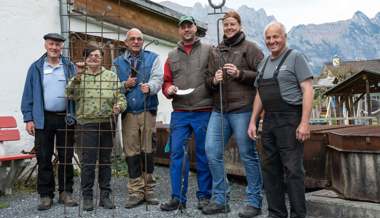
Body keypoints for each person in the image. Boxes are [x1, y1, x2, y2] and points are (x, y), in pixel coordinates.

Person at [247, 21, 314, 218]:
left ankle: (298, 214)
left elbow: (308, 89)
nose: (272, 41)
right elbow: (260, 94)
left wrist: (304, 122)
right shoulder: (264, 63)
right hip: (269, 122)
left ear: (284, 37)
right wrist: (253, 121)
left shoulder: (295, 57)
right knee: (270, 169)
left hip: (290, 119)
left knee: (293, 170)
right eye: (268, 38)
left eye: (276, 36)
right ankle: (276, 213)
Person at [202, 11, 264, 217]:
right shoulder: (215, 51)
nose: (228, 27)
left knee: (248, 155)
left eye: (232, 24)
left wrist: (240, 74)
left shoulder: (250, 48)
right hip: (219, 110)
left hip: (243, 109)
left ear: (239, 25)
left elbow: (263, 76)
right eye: (226, 24)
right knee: (212, 151)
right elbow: (207, 80)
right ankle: (221, 199)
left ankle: (254, 202)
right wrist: (214, 80)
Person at [160, 15, 213, 211]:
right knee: (175, 154)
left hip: (203, 109)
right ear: (179, 31)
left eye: (189, 26)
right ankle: (177, 197)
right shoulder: (172, 55)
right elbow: (166, 81)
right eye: (183, 27)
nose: (187, 30)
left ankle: (204, 196)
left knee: (203, 154)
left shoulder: (208, 50)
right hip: (180, 112)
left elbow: (214, 76)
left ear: (195, 28)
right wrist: (168, 89)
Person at [21, 33, 78, 210]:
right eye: (51, 44)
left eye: (58, 45)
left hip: (65, 118)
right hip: (43, 118)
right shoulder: (36, 67)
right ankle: (45, 195)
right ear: (46, 45)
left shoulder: (69, 67)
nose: (54, 48)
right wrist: (29, 118)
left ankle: (65, 192)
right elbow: (28, 94)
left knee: (66, 157)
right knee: (44, 157)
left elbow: (77, 93)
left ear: (62, 47)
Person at [66, 47, 126, 211]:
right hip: (86, 124)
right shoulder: (79, 76)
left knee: (106, 161)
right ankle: (87, 196)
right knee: (88, 162)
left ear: (102, 58)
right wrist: (77, 76)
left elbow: (121, 97)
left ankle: (105, 196)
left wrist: (119, 106)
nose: (94, 58)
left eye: (97, 55)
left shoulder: (111, 76)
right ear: (85, 59)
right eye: (90, 55)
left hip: (106, 123)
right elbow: (69, 94)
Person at [113, 28, 163, 208]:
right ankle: (135, 191)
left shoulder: (153, 57)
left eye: (139, 39)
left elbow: (159, 79)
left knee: (148, 150)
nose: (136, 41)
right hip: (128, 112)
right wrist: (124, 85)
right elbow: (112, 87)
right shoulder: (117, 62)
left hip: (147, 109)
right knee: (132, 152)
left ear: (142, 41)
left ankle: (149, 189)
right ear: (126, 42)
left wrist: (150, 87)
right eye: (132, 39)